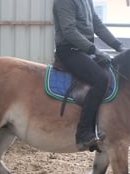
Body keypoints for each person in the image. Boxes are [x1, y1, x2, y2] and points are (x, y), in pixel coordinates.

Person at [53, 0, 124, 151]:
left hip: (83, 50)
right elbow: (69, 31)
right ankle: (83, 133)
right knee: (101, 79)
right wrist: (94, 50)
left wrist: (118, 45)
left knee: (110, 70)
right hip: (69, 50)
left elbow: (97, 24)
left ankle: (102, 127)